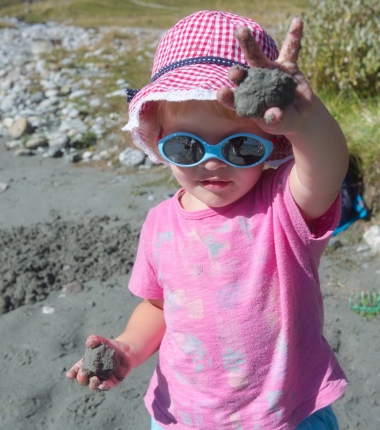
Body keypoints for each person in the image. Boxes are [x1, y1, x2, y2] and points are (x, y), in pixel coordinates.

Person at [67, 10, 348, 429]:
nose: (213, 162)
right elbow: (159, 305)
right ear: (158, 138)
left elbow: (326, 167)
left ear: (271, 142)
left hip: (285, 413)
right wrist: (127, 348)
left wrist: (306, 121)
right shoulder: (161, 223)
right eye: (185, 146)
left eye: (240, 148)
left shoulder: (282, 207)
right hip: (184, 414)